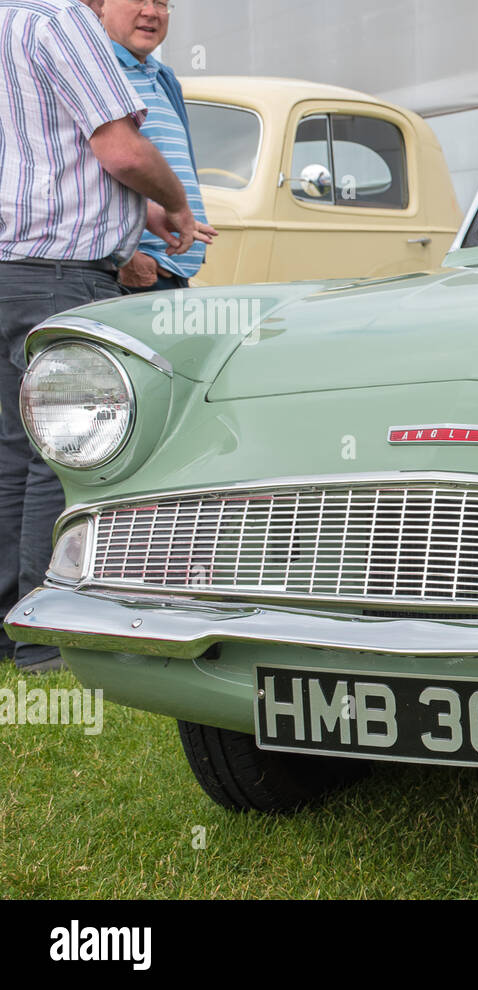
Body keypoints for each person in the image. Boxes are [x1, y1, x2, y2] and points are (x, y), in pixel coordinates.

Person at [0, 0, 205, 674]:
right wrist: (172, 200)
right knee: (64, 457)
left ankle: (12, 628)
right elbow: (120, 149)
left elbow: (45, 160)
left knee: (13, 452)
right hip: (62, 276)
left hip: (13, 268)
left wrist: (134, 208)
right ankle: (46, 640)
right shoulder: (63, 23)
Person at [102, 0, 213, 292]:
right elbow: (82, 172)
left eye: (161, 3)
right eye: (138, 0)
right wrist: (124, 260)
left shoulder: (164, 78)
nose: (151, 12)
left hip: (171, 271)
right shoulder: (98, 72)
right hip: (129, 274)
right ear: (102, 5)